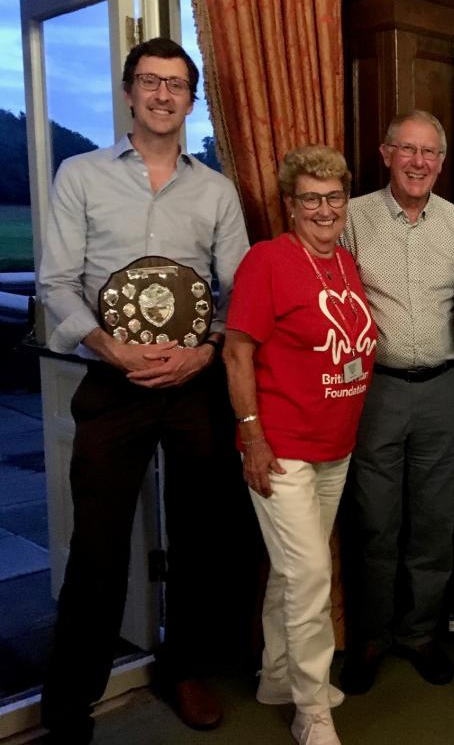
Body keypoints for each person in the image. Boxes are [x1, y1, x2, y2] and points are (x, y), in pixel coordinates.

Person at [37, 38, 249, 742]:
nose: (163, 95)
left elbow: (237, 291)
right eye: (151, 82)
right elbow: (56, 282)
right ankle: (70, 697)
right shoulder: (81, 175)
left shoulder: (215, 190)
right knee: (96, 546)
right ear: (129, 92)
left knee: (201, 538)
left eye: (177, 86)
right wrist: (108, 344)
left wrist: (207, 351)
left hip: (192, 387)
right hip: (113, 382)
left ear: (191, 101)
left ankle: (182, 667)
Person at [223, 145, 377, 745]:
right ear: (290, 205)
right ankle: (312, 709)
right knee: (311, 573)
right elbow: (237, 353)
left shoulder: (344, 263)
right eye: (310, 198)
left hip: (334, 446)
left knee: (294, 572)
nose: (324, 208)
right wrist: (252, 436)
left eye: (334, 196)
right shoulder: (267, 262)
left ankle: (277, 675)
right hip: (281, 447)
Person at [337, 110, 454, 693]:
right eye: (407, 150)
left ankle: (419, 634)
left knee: (434, 523)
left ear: (442, 163)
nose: (419, 162)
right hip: (377, 391)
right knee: (374, 522)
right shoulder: (351, 218)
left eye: (430, 153)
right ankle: (370, 636)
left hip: (446, 389)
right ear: (386, 152)